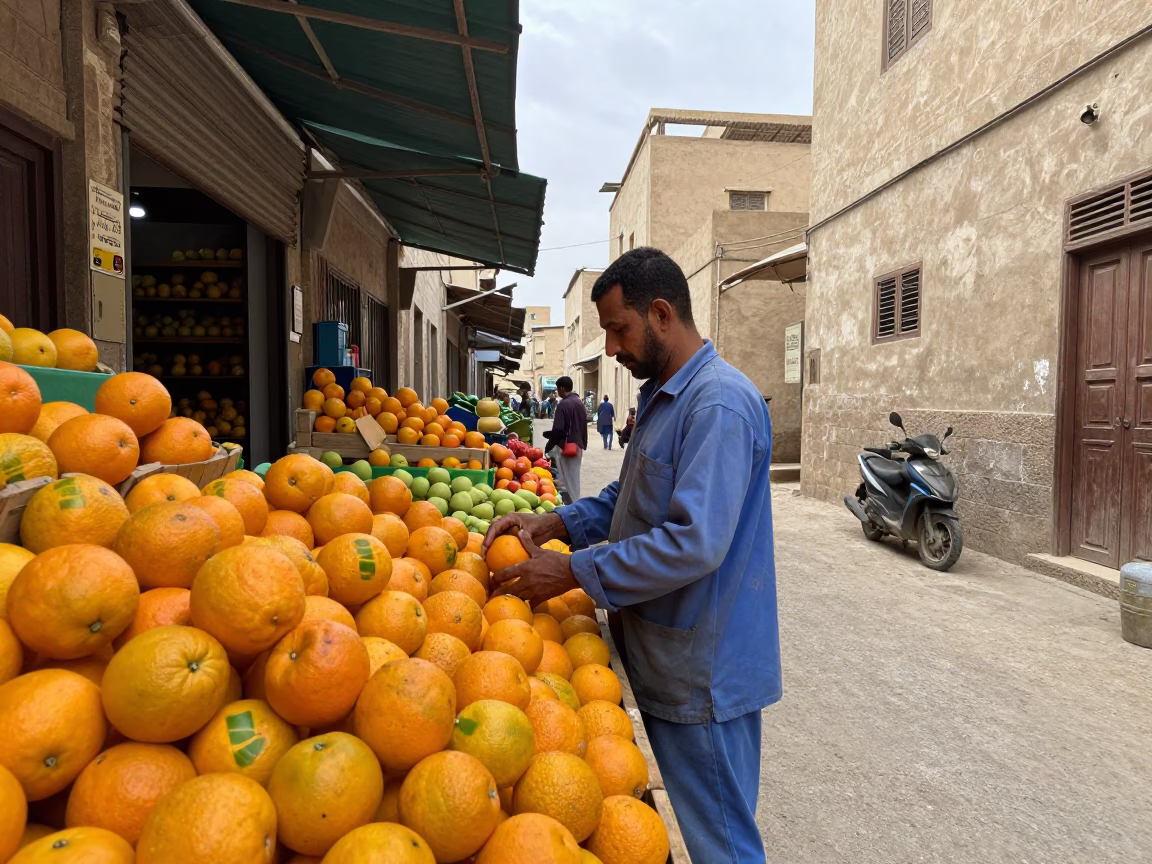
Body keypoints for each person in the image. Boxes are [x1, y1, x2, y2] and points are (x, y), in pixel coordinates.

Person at [483, 247, 777, 864]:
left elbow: (694, 540)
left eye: (618, 329)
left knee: (722, 844)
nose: (611, 348)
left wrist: (572, 569)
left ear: (663, 313)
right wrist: (558, 518)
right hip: (669, 658)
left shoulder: (717, 404)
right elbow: (629, 497)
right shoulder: (667, 396)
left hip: (704, 673)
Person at [542, 376, 587, 502]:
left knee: (566, 480)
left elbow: (559, 430)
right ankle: (576, 501)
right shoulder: (579, 402)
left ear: (561, 388)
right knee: (574, 477)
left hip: (566, 447)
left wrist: (549, 444)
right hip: (578, 446)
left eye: (557, 389)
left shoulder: (563, 404)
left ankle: (570, 506)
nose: (557, 392)